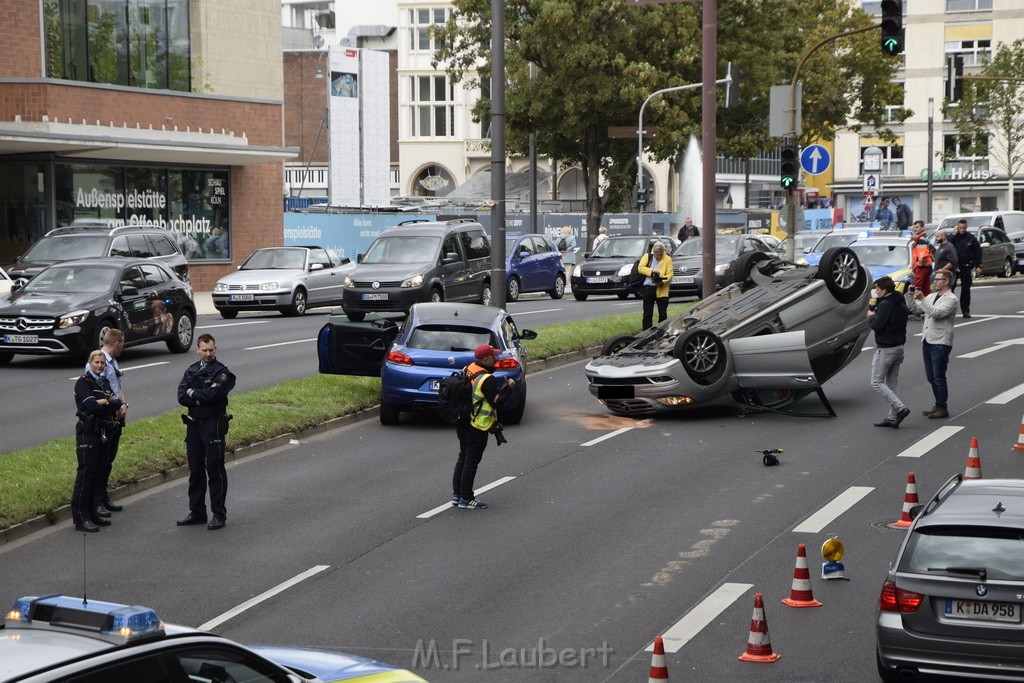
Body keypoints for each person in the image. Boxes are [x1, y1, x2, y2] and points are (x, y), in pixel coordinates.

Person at [176, 334, 236, 530]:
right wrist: (200, 395)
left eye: (211, 350)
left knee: (215, 469)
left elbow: (215, 394)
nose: (208, 353)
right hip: (194, 425)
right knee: (195, 470)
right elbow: (182, 397)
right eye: (204, 350)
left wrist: (196, 394)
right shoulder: (191, 370)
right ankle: (197, 512)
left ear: (215, 349)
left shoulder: (223, 373)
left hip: (213, 425)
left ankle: (219, 514)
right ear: (198, 350)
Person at [452, 344, 516, 510]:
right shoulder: (487, 379)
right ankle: (466, 498)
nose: (495, 360)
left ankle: (457, 494)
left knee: (463, 456)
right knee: (471, 460)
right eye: (493, 357)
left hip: (462, 420)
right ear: (486, 359)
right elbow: (497, 401)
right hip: (477, 424)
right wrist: (509, 388)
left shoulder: (469, 368)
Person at [72, 350, 123, 532]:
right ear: (89, 363)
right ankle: (80, 518)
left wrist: (106, 403)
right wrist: (106, 402)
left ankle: (93, 513)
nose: (100, 365)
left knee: (97, 473)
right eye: (97, 363)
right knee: (85, 475)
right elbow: (90, 406)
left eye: (102, 363)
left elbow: (117, 403)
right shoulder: (83, 382)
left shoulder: (104, 382)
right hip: (88, 432)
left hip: (103, 431)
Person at [85, 329, 127, 517]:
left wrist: (123, 405)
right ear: (117, 344)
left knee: (108, 460)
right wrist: (114, 407)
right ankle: (96, 501)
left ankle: (103, 496)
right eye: (122, 345)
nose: (100, 365)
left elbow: (118, 387)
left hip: (116, 418)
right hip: (104, 419)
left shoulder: (113, 362)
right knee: (100, 462)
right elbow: (97, 395)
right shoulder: (98, 363)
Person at [911, 271, 959, 419]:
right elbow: (917, 309)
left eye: (938, 279)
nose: (935, 281)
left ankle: (942, 407)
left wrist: (922, 300)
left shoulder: (951, 299)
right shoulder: (931, 296)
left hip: (941, 341)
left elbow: (937, 313)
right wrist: (911, 296)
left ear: (946, 281)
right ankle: (938, 404)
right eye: (935, 279)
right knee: (931, 377)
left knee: (939, 377)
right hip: (928, 339)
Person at [867, 276, 911, 428]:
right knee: (892, 383)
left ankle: (900, 409)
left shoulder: (886, 304)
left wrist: (871, 317)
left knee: (876, 382)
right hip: (899, 347)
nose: (876, 292)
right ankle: (892, 417)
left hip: (886, 348)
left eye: (877, 290)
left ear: (884, 290)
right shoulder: (899, 301)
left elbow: (878, 326)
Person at [947, 218, 983, 318]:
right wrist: (954, 233)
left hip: (966, 266)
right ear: (957, 227)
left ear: (966, 228)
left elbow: (978, 252)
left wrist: (978, 265)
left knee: (966, 289)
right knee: (950, 288)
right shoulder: (953, 237)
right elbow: (947, 244)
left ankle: (965, 310)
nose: (962, 230)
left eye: (964, 228)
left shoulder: (971, 238)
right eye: (960, 228)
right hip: (954, 267)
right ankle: (950, 310)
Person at [637, 241, 672, 330]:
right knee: (647, 314)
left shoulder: (668, 259)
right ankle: (646, 333)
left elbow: (670, 273)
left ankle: (662, 332)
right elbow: (640, 268)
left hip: (662, 289)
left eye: (661, 254)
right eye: (657, 254)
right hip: (648, 289)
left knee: (663, 314)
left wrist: (662, 280)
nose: (659, 256)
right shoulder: (647, 256)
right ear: (654, 252)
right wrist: (652, 271)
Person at [911, 221, 934, 297]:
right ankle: (928, 304)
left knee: (917, 288)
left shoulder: (921, 239)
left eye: (917, 227)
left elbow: (922, 254)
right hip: (927, 266)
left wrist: (918, 264)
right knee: (925, 290)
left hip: (922, 267)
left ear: (923, 228)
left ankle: (917, 305)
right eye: (914, 227)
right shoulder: (923, 238)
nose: (915, 229)